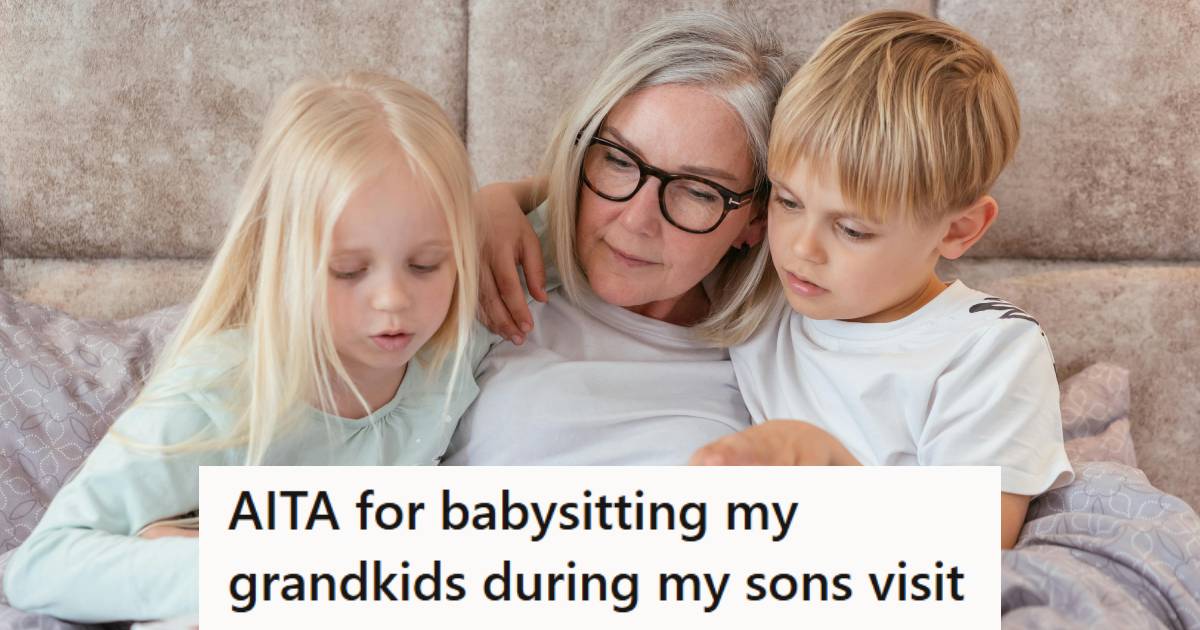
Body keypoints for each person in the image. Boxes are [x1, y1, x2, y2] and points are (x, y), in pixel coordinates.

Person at [4, 72, 484, 621]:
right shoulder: (221, 393)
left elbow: (568, 217)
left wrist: (505, 201)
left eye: (426, 264)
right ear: (281, 260)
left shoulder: (452, 346)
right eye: (348, 271)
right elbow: (40, 564)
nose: (394, 300)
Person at [689, 11, 1073, 549]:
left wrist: (826, 463)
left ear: (959, 230)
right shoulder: (763, 283)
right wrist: (525, 203)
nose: (800, 248)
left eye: (851, 229)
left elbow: (972, 551)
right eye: (788, 200)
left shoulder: (989, 352)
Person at [444, 11, 794, 465]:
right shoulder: (501, 281)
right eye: (619, 161)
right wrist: (494, 200)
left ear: (755, 221)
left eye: (698, 191)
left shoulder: (780, 359)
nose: (636, 221)